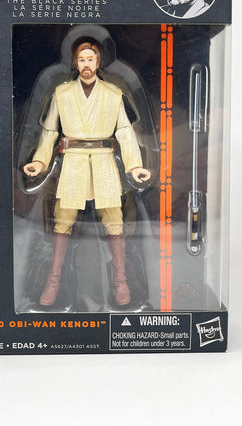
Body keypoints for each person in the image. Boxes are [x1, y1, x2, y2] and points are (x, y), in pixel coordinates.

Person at [23, 39, 151, 307]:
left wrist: (134, 166)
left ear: (98, 62)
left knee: (114, 220)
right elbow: (49, 131)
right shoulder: (62, 94)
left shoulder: (113, 94)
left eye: (90, 59)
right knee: (62, 220)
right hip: (73, 163)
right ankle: (54, 279)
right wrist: (40, 162)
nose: (86, 65)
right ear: (75, 63)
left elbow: (125, 132)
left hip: (105, 162)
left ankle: (120, 280)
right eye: (81, 60)